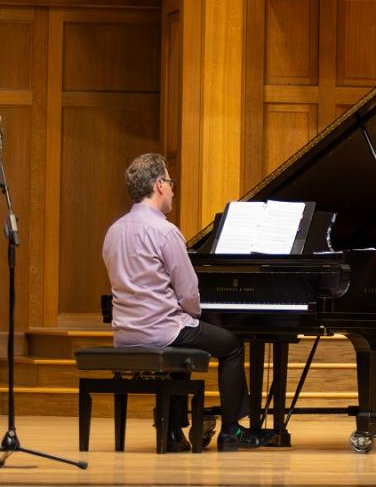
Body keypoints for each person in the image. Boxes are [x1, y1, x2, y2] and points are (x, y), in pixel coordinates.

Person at [101, 153, 262, 451]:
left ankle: (175, 432)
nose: (173, 191)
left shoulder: (114, 231)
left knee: (185, 339)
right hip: (161, 330)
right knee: (231, 345)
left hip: (125, 333)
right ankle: (231, 431)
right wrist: (194, 315)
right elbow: (188, 291)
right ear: (159, 185)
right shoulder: (165, 231)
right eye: (171, 183)